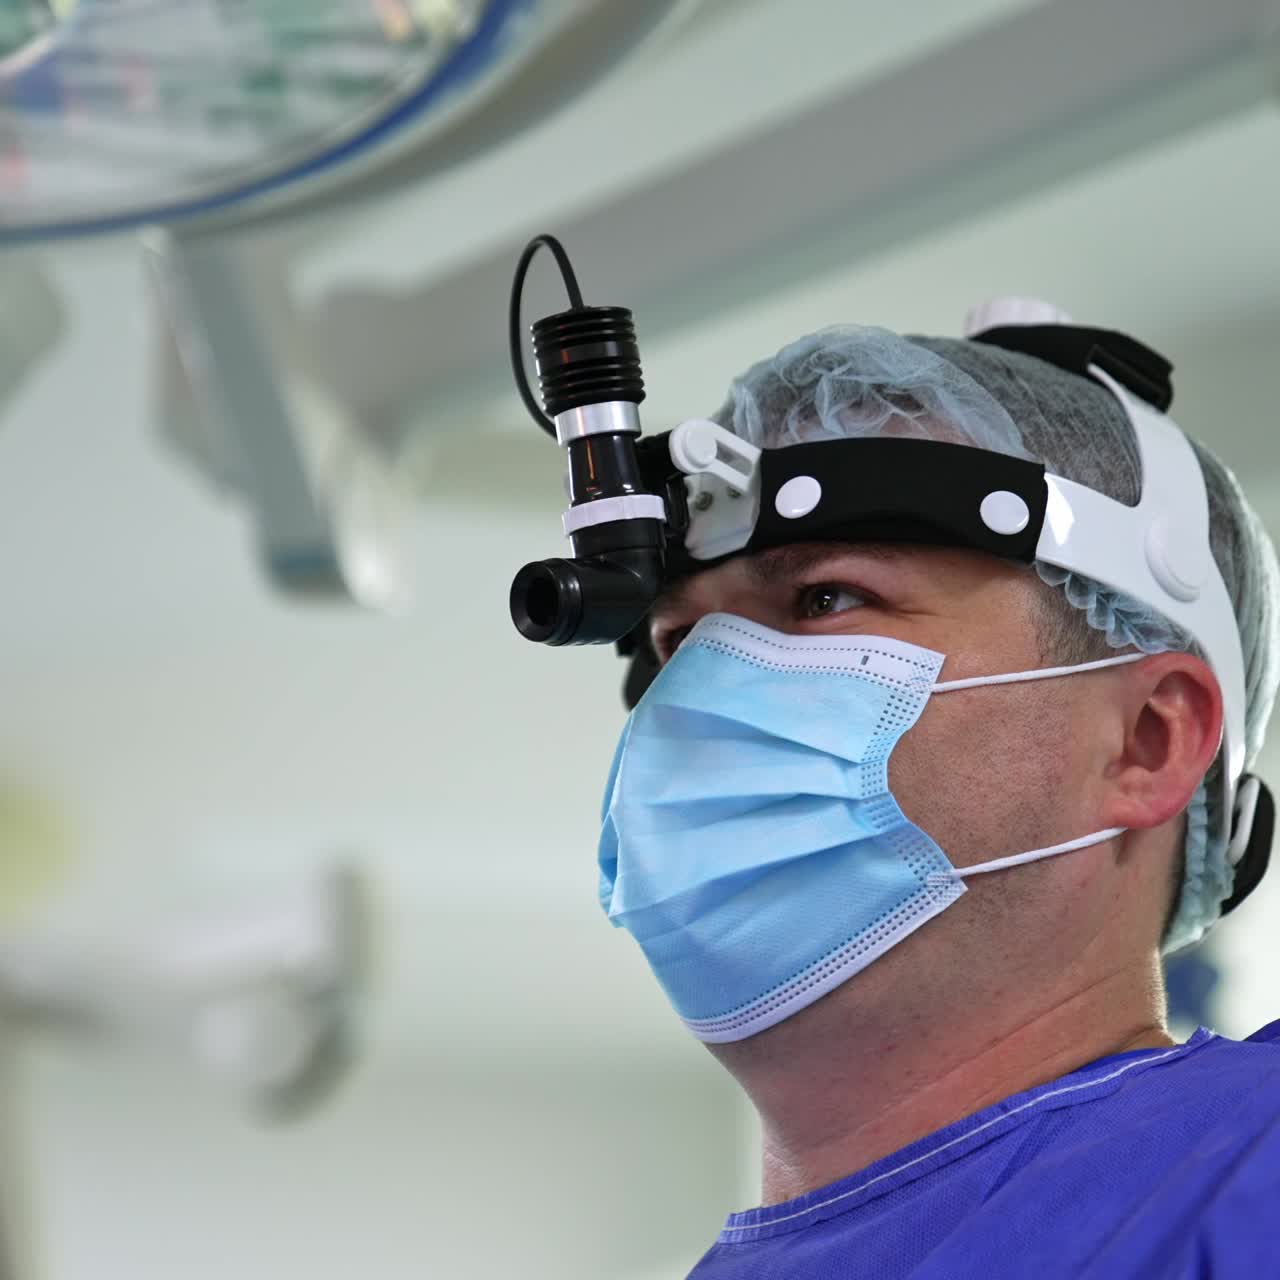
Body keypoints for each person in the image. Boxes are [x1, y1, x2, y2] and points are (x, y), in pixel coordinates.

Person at [595, 314, 1280, 1278]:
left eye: (825, 598)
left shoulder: (1249, 1167)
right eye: (677, 643)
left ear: (1145, 741)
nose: (703, 693)